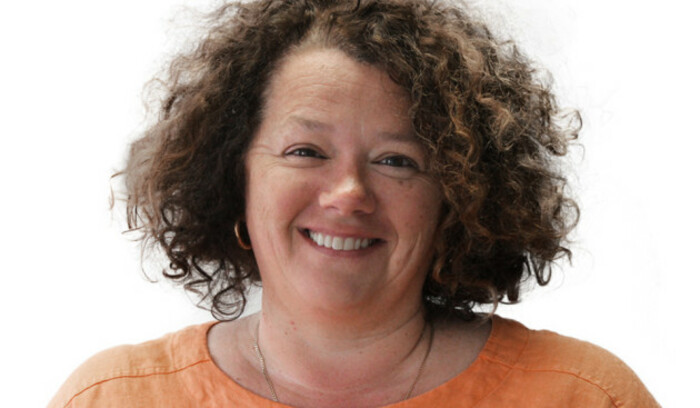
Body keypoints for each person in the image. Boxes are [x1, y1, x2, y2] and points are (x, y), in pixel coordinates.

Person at [49, 0, 658, 406]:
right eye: (305, 151)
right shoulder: (112, 398)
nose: (348, 193)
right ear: (234, 179)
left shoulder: (582, 396)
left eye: (396, 161)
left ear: (457, 197)